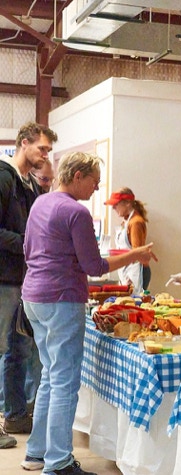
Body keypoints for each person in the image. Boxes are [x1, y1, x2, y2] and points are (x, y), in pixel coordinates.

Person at [21, 151, 157, 474]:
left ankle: (36, 452)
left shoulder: (40, 203)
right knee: (65, 382)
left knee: (50, 376)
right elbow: (94, 266)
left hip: (33, 297)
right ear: (78, 176)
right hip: (61, 299)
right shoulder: (76, 212)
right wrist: (135, 254)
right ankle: (59, 462)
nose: (96, 188)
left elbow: (28, 250)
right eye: (94, 182)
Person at [0, 122, 57, 448]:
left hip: (19, 281)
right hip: (4, 281)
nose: (45, 155)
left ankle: (16, 415)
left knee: (18, 350)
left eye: (48, 150)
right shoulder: (4, 177)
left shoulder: (27, 184)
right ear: (24, 143)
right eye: (42, 148)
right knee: (4, 350)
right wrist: (27, 243)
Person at [105, 187, 152, 293]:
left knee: (135, 301)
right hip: (128, 269)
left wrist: (118, 255)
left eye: (116, 204)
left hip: (135, 271)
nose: (113, 208)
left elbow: (137, 253)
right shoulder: (126, 221)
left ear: (127, 203)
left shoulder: (136, 222)